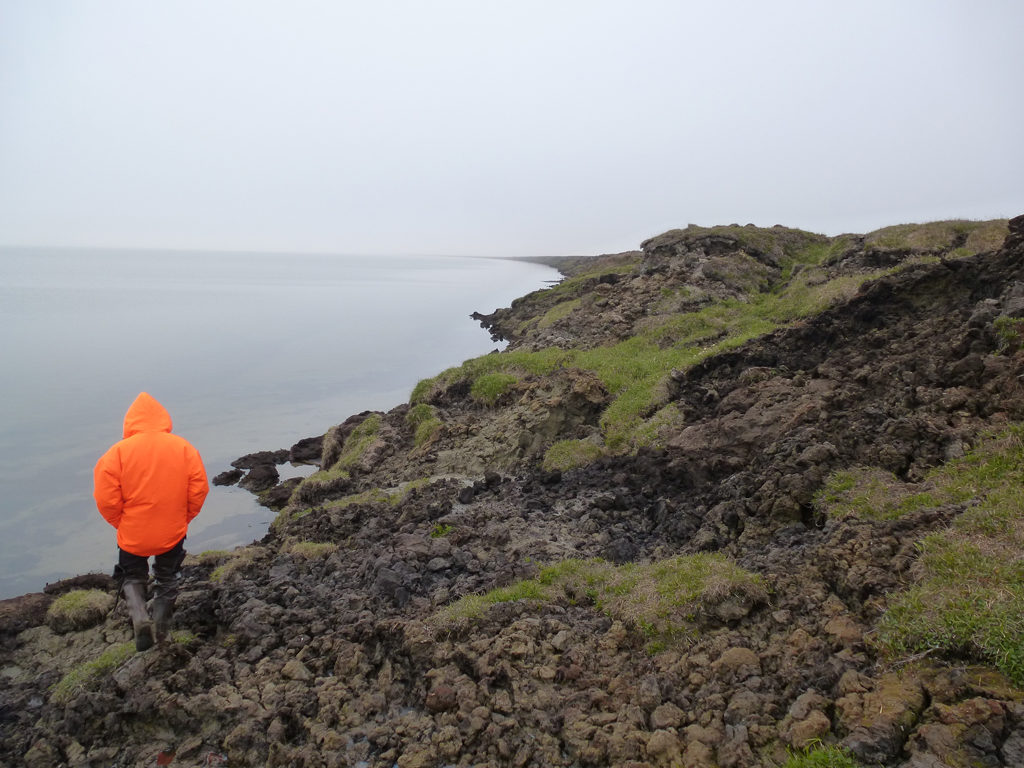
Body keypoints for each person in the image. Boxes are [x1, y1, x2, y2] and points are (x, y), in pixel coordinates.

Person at [94, 392, 209, 650]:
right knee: (167, 577)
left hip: (133, 533)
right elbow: (199, 489)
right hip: (172, 530)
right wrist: (183, 517)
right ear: (162, 419)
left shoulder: (116, 454)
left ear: (130, 422)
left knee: (132, 576)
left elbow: (105, 499)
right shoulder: (183, 447)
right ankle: (163, 631)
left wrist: (121, 523)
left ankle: (139, 617)